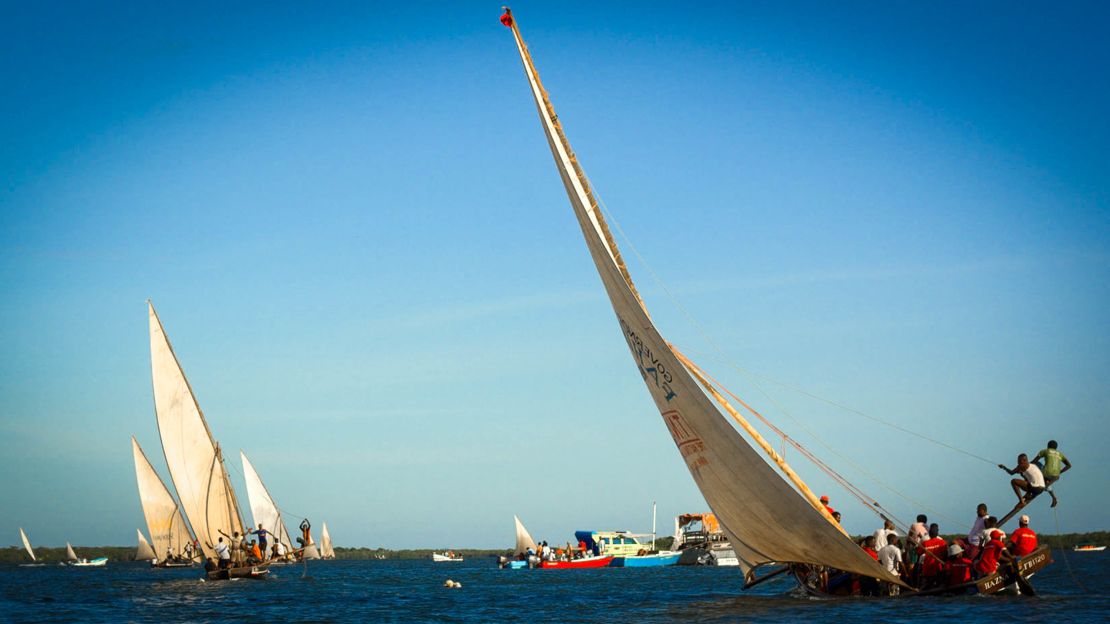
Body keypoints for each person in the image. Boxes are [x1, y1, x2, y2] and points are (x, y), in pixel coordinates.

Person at [1033, 440, 1071, 508]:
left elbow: (1034, 461)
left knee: (1036, 464)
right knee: (1046, 483)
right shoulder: (1060, 454)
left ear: (1048, 446)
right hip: (1056, 476)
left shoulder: (1045, 451)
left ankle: (1033, 486)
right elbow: (1069, 465)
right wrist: (1060, 472)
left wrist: (1027, 466)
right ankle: (1054, 497)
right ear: (1056, 448)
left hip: (1046, 473)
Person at [917, 524, 947, 590]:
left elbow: (919, 553)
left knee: (926, 588)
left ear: (929, 533)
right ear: (937, 532)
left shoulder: (925, 543)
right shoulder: (942, 542)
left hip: (927, 570)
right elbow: (945, 555)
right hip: (938, 569)